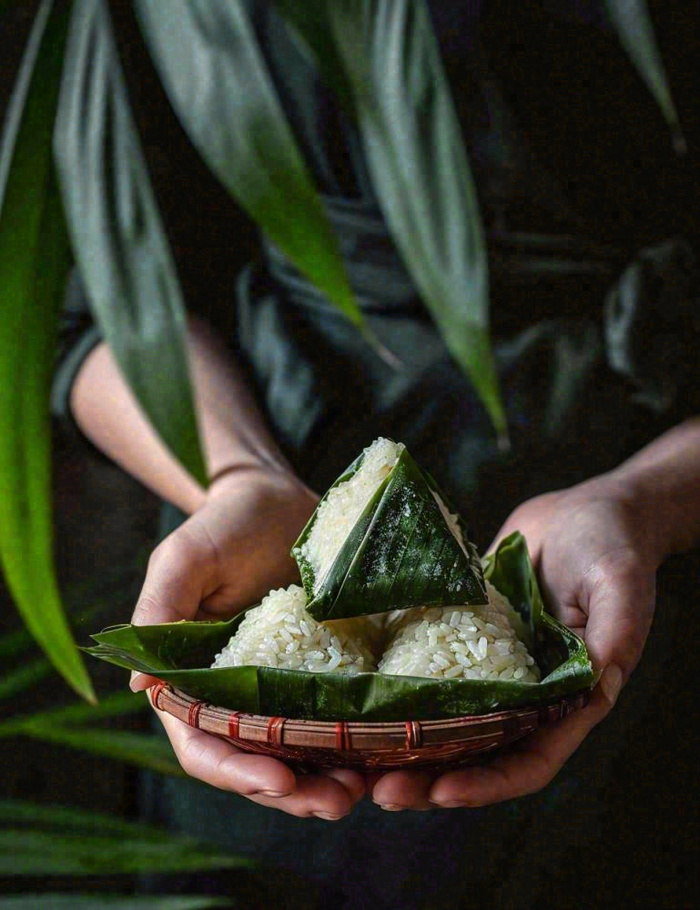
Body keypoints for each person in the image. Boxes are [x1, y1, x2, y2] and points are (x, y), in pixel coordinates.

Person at [54, 1, 699, 905]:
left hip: (639, 576)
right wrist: (238, 476)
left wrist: (654, 498)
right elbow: (93, 297)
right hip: (280, 477)